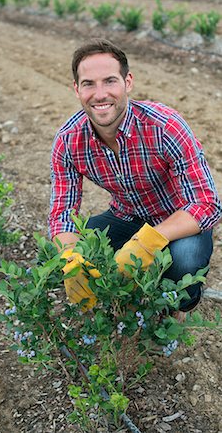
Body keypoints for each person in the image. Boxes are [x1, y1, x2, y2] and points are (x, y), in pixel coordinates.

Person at [48, 38, 221, 315]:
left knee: (183, 262)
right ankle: (118, 304)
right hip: (126, 216)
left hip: (178, 218)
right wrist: (71, 256)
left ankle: (175, 307)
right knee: (62, 256)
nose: (100, 94)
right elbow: (62, 214)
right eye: (88, 84)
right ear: (76, 89)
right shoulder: (68, 140)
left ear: (127, 82)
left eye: (110, 81)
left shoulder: (164, 126)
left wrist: (147, 241)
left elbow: (206, 204)